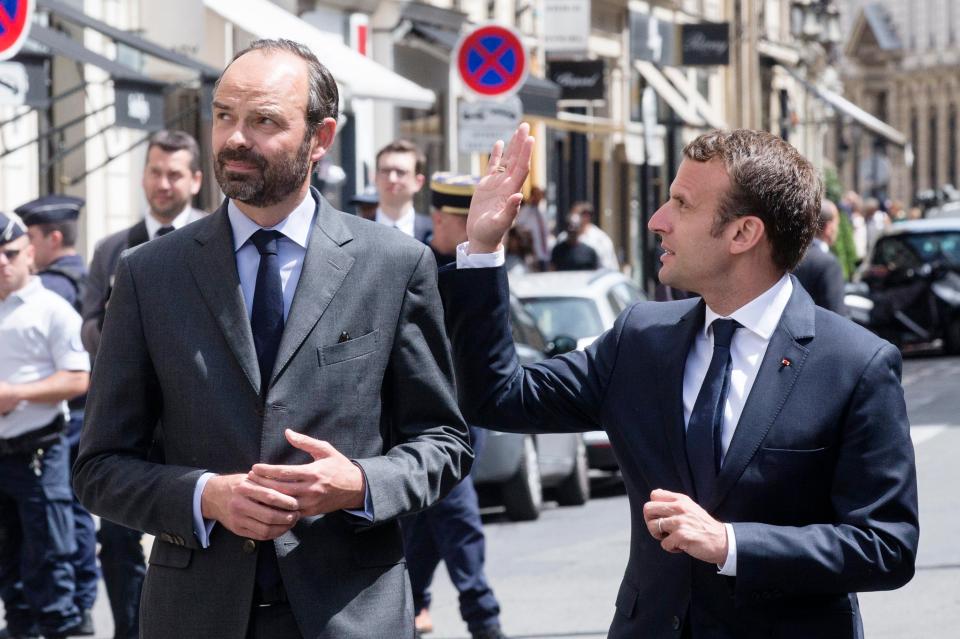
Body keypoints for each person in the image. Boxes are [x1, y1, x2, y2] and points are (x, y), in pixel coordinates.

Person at [439, 124, 918, 638]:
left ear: (743, 233)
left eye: (682, 204)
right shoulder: (641, 340)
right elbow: (496, 396)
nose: (657, 221)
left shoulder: (853, 364)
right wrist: (483, 248)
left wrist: (730, 544)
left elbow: (885, 546)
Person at [73, 38, 471, 639]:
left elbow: (443, 441)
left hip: (351, 610)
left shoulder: (393, 265)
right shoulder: (148, 273)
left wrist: (361, 485)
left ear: (321, 137)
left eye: (263, 121)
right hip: (197, 615)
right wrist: (205, 496)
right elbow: (100, 467)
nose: (235, 138)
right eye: (225, 116)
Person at [77, 129, 206, 639]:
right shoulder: (114, 250)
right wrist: (119, 323)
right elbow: (87, 325)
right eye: (155, 171)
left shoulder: (218, 241)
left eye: (174, 174)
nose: (162, 183)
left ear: (196, 180)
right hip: (129, 424)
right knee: (120, 539)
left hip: (193, 425)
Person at [403, 173, 506, 639]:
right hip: (425, 421)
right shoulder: (414, 264)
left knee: (428, 521)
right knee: (457, 517)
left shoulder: (481, 263)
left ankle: (407, 604)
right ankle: (484, 620)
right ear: (440, 217)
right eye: (461, 220)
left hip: (469, 418)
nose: (470, 229)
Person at [0, 212, 90, 639]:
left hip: (38, 452)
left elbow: (77, 378)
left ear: (29, 253)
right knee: (9, 575)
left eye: (10, 253)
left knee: (51, 565)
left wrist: (15, 393)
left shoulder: (51, 308)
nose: (2, 261)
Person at [793, 199, 847, 315]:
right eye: (837, 224)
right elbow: (837, 316)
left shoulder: (789, 254)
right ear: (829, 227)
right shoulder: (828, 264)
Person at [373, 140, 432, 243]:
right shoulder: (353, 231)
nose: (392, 179)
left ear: (419, 182)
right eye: (385, 171)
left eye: (400, 172)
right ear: (376, 178)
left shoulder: (435, 235)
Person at [556, 201, 618, 271]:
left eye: (576, 216)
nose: (573, 219)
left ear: (586, 216)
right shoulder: (563, 238)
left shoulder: (601, 239)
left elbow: (607, 267)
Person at [514, 186, 551, 269]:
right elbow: (518, 227)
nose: (539, 197)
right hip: (532, 254)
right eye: (536, 195)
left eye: (540, 195)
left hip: (545, 255)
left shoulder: (542, 211)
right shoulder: (525, 211)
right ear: (532, 196)